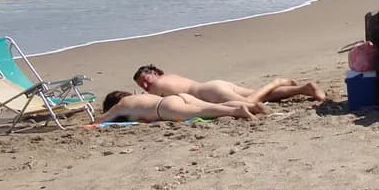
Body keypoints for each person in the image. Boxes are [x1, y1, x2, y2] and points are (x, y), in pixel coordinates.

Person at [133, 64, 326, 104]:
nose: (145, 86)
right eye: (142, 85)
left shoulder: (159, 84)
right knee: (261, 95)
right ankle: (303, 88)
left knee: (251, 103)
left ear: (154, 73)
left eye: (144, 80)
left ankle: (277, 82)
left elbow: (151, 102)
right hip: (214, 86)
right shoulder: (171, 76)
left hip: (211, 92)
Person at [86, 89, 264, 126]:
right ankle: (251, 106)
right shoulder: (139, 96)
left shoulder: (121, 106)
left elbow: (101, 120)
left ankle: (238, 111)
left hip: (164, 108)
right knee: (213, 106)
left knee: (205, 112)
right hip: (177, 97)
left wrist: (89, 124)